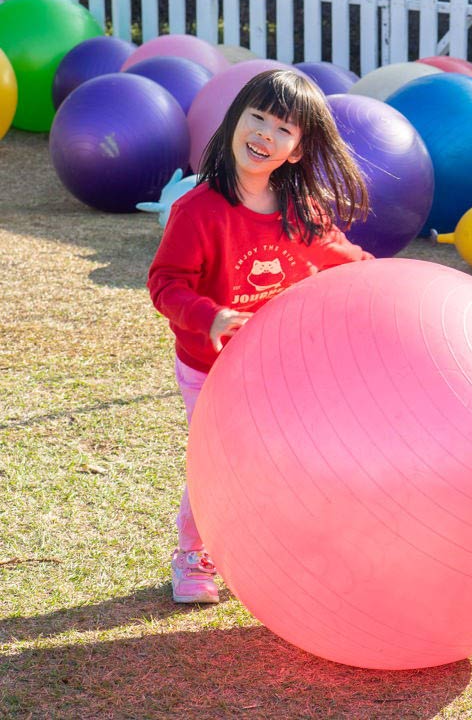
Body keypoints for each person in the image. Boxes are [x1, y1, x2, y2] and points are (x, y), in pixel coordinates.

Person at [147, 68, 371, 604]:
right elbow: (164, 284)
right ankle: (194, 555)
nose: (266, 134)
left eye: (284, 129)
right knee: (220, 464)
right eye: (258, 117)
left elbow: (350, 265)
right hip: (210, 368)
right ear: (235, 121)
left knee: (289, 461)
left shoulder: (301, 212)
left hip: (280, 371)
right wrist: (208, 316)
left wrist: (392, 288)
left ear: (296, 150)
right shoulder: (198, 210)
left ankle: (276, 548)